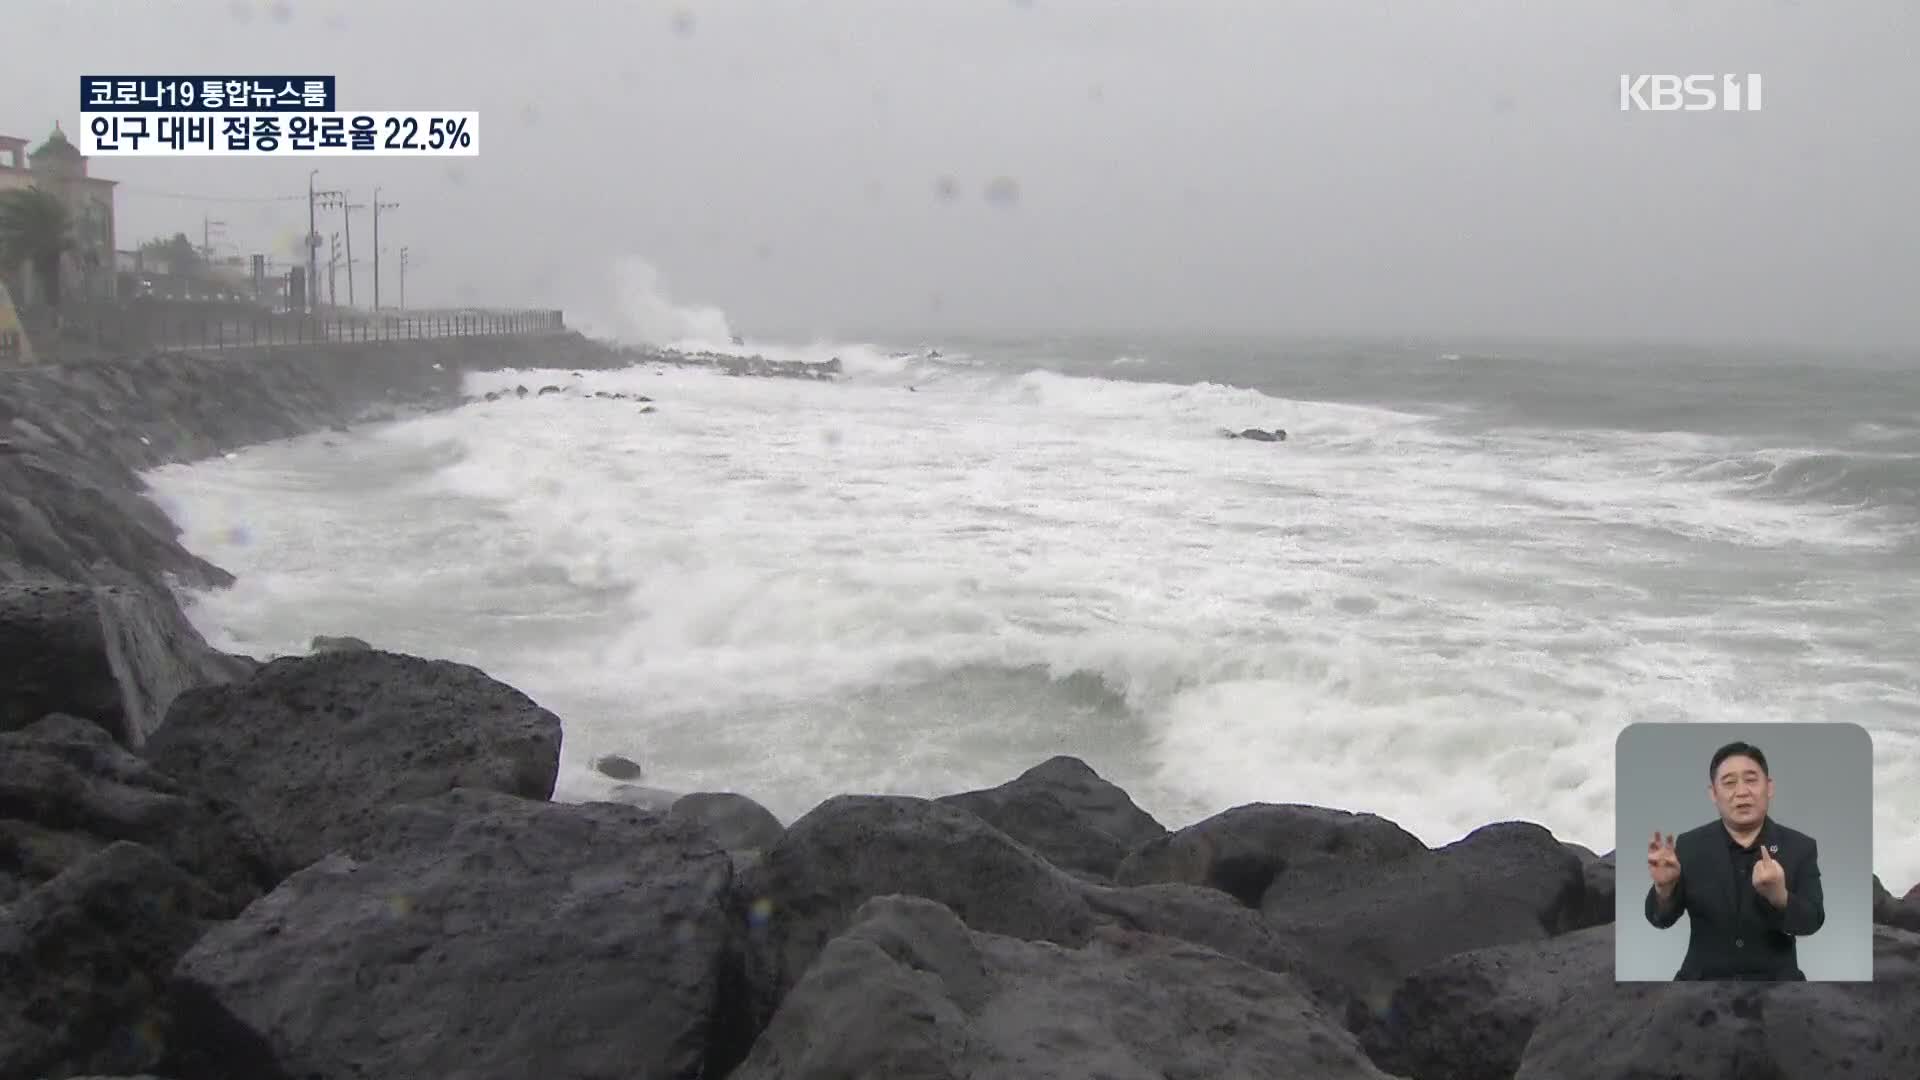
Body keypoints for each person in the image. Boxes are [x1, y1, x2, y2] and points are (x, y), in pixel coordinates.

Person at [1644, 740, 1825, 980]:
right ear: (1713, 793)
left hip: (1778, 990)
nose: (1741, 792)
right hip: (1701, 986)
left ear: (1769, 787)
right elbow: (1661, 920)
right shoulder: (1690, 846)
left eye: (1751, 780)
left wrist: (1779, 897)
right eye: (1729, 783)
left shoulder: (1799, 847)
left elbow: (1812, 921)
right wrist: (1665, 889)